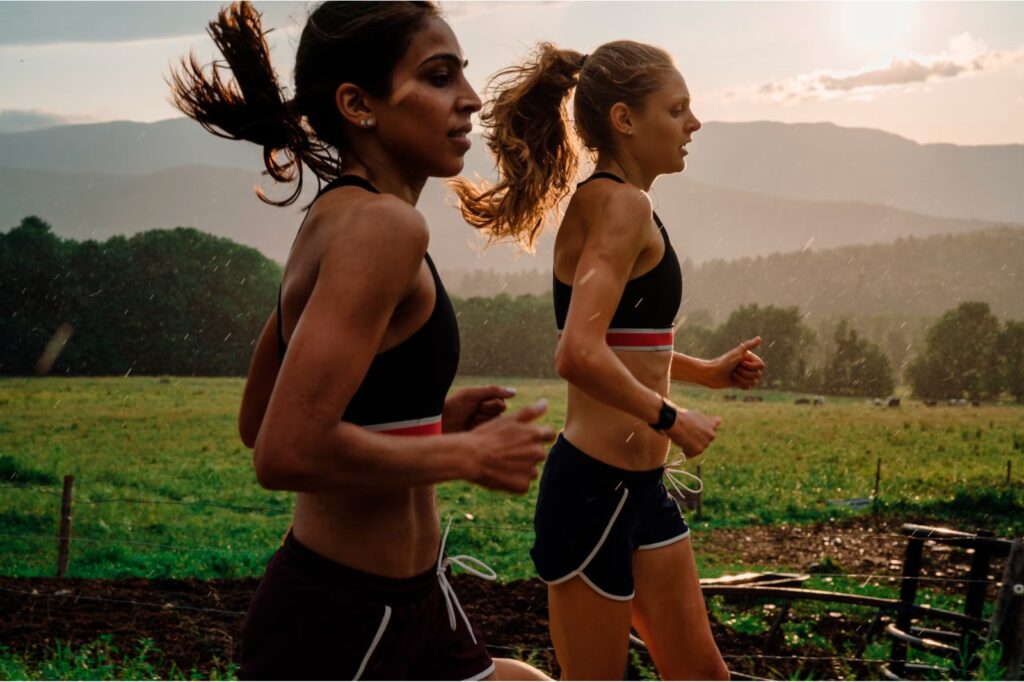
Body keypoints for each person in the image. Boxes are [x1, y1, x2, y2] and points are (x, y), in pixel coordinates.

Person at [170, 3, 556, 679]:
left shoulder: (333, 219)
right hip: (344, 623)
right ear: (358, 103)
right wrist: (461, 454)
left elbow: (258, 420)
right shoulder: (382, 229)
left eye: (463, 74)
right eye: (439, 78)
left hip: (414, 601)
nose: (470, 99)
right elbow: (284, 452)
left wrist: (428, 427)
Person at [453, 41, 766, 679]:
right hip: (593, 491)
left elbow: (622, 342)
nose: (693, 125)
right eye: (677, 110)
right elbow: (577, 352)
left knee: (704, 676)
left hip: (642, 490)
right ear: (625, 120)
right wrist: (671, 418)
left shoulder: (616, 201)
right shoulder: (622, 205)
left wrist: (705, 371)